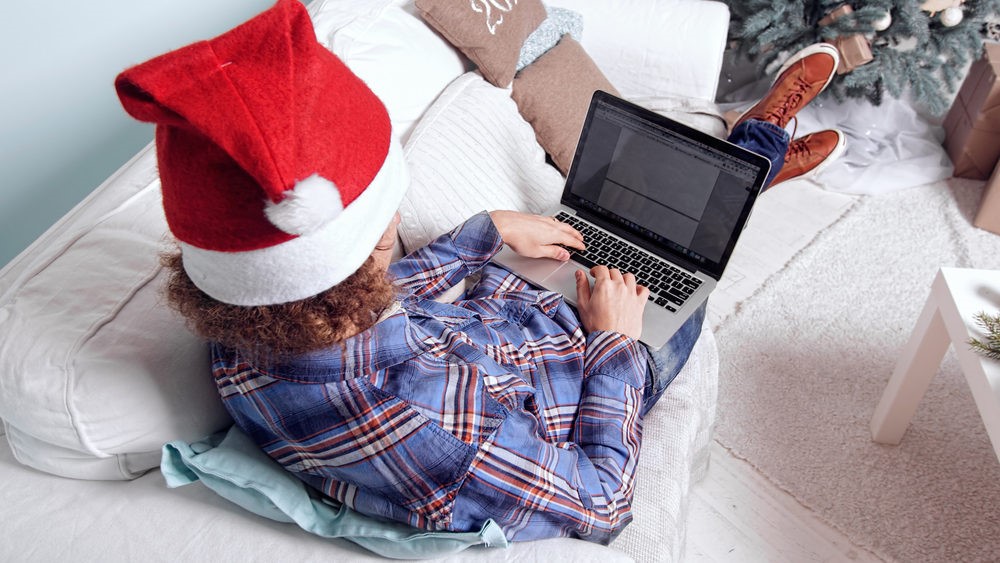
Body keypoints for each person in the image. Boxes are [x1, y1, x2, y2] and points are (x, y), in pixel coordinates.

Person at [116, 0, 841, 546]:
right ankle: (757, 151)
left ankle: (741, 169)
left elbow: (366, 311)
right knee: (684, 258)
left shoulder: (249, 327)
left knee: (628, 213)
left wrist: (483, 234)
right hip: (595, 361)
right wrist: (616, 341)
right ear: (363, 251)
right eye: (386, 216)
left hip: (505, 301)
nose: (395, 227)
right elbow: (601, 502)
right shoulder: (431, 435)